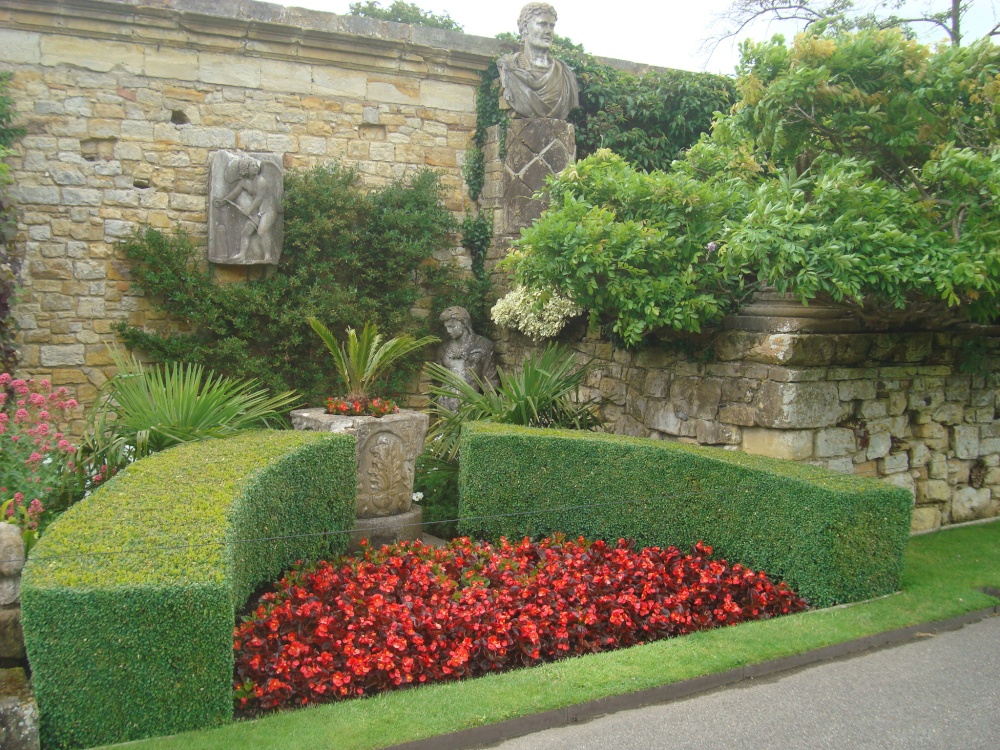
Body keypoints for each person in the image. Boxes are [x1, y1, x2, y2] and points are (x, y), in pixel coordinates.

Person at [497, 3, 579, 120]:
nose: (548, 31)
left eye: (552, 26)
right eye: (542, 24)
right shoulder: (510, 67)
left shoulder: (565, 74)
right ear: (525, 27)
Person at [213, 156, 280, 263]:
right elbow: (234, 193)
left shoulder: (261, 181)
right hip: (258, 211)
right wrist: (223, 201)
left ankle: (268, 256)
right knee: (245, 232)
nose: (256, 167)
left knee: (262, 231)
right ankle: (242, 255)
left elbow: (259, 199)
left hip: (268, 209)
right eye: (252, 165)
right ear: (246, 168)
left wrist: (248, 209)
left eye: (256, 165)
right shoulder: (244, 182)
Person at [436, 307, 498, 411]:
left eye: (452, 326)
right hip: (444, 406)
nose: (448, 331)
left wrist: (488, 406)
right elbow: (438, 380)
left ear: (464, 323)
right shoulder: (443, 349)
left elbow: (490, 381)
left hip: (469, 406)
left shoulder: (482, 346)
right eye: (446, 327)